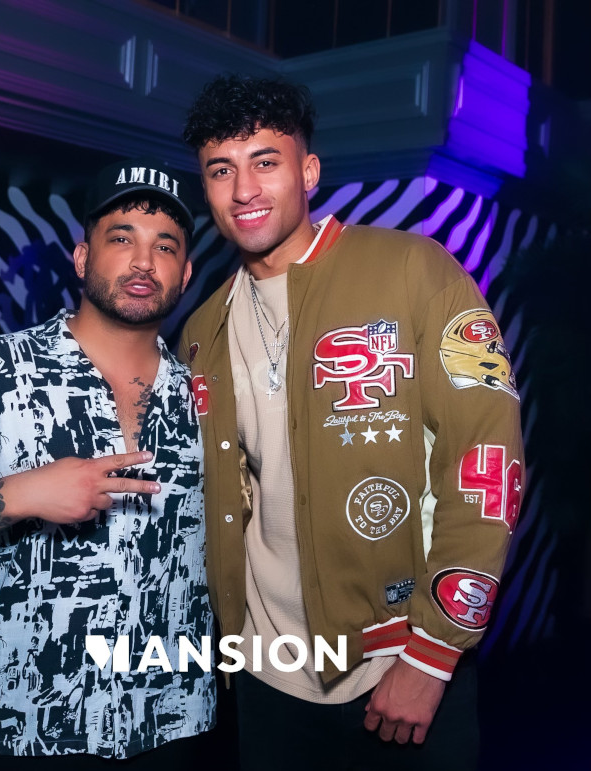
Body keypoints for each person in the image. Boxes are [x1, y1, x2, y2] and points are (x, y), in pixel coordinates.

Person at [180, 74, 524, 770]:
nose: (243, 189)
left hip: (401, 662)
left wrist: (433, 654)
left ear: (308, 171)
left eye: (265, 162)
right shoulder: (201, 331)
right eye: (221, 169)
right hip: (267, 674)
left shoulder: (414, 269)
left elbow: (487, 462)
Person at [0, 157, 216, 769]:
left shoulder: (206, 394)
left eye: (165, 246)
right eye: (122, 239)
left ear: (186, 272)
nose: (144, 262)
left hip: (174, 720)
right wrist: (22, 494)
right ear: (82, 258)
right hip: (25, 727)